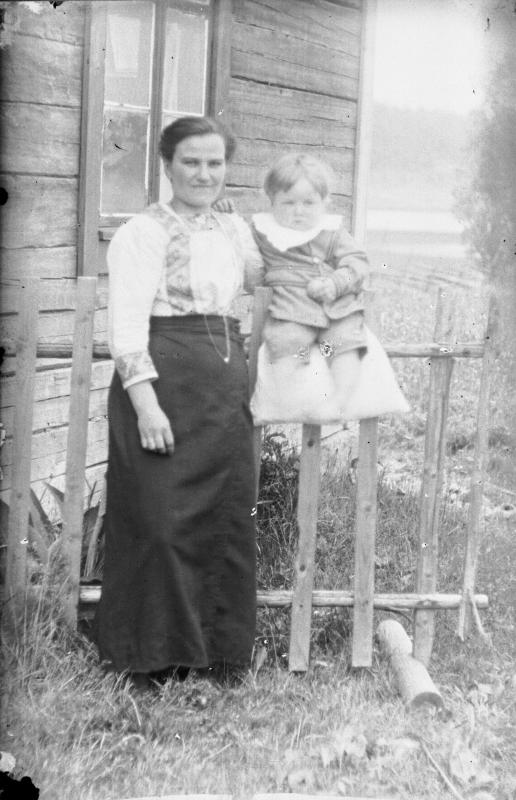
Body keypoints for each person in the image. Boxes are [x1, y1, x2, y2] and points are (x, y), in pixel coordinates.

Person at [95, 116, 264, 687]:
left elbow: (265, 275)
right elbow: (125, 329)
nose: (204, 174)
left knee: (223, 519)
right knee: (160, 522)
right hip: (163, 386)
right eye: (191, 162)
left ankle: (216, 655)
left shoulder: (233, 228)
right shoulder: (143, 233)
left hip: (221, 388)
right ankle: (149, 659)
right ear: (167, 165)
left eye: (215, 163)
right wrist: (146, 406)